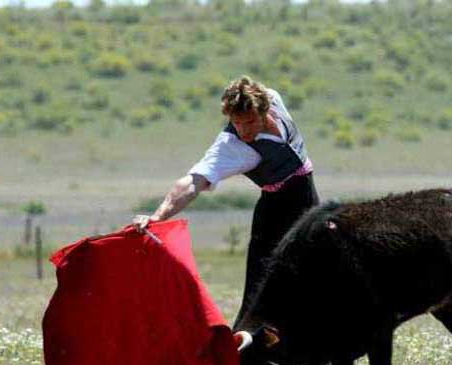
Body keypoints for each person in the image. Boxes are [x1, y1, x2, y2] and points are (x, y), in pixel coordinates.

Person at [133, 76, 319, 324]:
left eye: (250, 121)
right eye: (236, 122)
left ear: (264, 111)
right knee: (262, 283)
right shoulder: (232, 146)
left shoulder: (272, 98)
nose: (243, 130)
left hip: (308, 200)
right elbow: (193, 181)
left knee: (317, 273)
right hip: (275, 212)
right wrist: (158, 216)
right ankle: (251, 351)